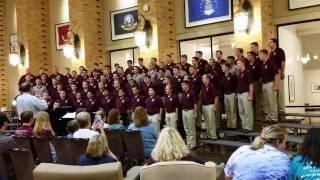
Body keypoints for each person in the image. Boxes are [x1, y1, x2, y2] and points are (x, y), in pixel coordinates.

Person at [224, 124, 290, 180]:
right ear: (278, 141)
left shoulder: (241, 150)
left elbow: (228, 177)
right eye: (285, 143)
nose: (285, 146)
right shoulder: (283, 158)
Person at [259, 49, 280, 122]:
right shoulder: (262, 64)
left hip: (271, 83)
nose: (259, 56)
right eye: (259, 54)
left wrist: (276, 85)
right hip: (264, 84)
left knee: (272, 101)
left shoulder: (271, 62)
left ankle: (274, 118)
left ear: (265, 55)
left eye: (260, 54)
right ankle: (268, 117)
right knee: (266, 102)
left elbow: (277, 74)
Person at [268, 38, 286, 114]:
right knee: (274, 94)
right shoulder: (270, 53)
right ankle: (275, 113)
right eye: (268, 43)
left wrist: (282, 72)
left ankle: (282, 112)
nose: (269, 44)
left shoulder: (280, 51)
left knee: (280, 93)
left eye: (270, 42)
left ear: (275, 43)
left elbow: (282, 62)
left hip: (279, 73)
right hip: (272, 76)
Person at [236, 59, 254, 132]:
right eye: (237, 63)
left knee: (248, 111)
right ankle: (244, 127)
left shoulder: (247, 72)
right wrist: (237, 93)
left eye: (238, 63)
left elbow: (251, 84)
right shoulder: (240, 73)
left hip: (246, 93)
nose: (237, 65)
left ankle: (249, 127)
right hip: (240, 94)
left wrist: (251, 95)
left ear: (243, 63)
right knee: (241, 111)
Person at [201, 74, 218, 140]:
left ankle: (213, 135)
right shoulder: (203, 87)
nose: (202, 80)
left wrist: (215, 105)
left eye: (204, 78)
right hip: (204, 106)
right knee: (207, 122)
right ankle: (209, 135)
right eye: (202, 78)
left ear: (208, 79)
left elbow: (216, 96)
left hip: (210, 105)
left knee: (211, 121)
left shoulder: (211, 86)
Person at [181, 80, 197, 149]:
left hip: (190, 111)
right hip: (184, 111)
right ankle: (188, 143)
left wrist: (195, 112)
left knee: (191, 128)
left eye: (183, 85)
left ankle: (193, 144)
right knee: (186, 128)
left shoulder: (192, 92)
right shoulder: (183, 93)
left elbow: (195, 103)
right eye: (182, 85)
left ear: (187, 85)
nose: (182, 86)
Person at [222, 63, 237, 129]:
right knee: (227, 110)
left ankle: (233, 125)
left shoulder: (232, 76)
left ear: (227, 68)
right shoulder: (223, 77)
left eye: (223, 67)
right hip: (225, 94)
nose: (222, 68)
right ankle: (228, 124)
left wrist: (236, 93)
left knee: (232, 110)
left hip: (232, 94)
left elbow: (236, 85)